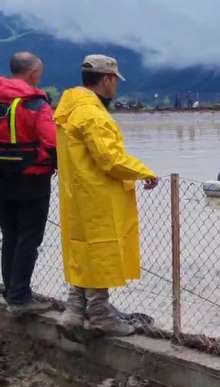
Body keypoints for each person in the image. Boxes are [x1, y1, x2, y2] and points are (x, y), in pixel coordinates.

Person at [54, 54, 159, 338]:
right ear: (108, 79)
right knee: (100, 252)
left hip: (76, 194)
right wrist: (144, 172)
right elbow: (110, 159)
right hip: (98, 195)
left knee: (82, 249)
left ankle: (74, 310)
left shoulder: (68, 111)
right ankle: (100, 314)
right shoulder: (93, 115)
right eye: (115, 81)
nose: (116, 88)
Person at [0, 52, 57, 317]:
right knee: (29, 238)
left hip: (2, 178)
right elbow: (53, 141)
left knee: (10, 235)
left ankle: (11, 290)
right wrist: (56, 165)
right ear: (33, 73)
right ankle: (20, 298)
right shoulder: (36, 104)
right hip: (32, 180)